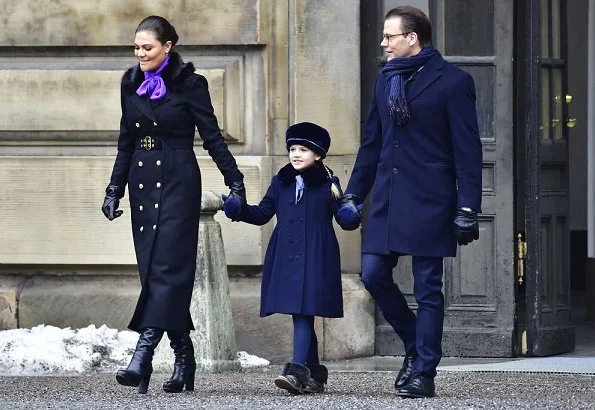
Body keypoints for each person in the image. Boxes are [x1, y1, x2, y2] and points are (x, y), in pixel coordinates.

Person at [339, 6, 482, 399]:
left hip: (430, 200)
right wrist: (353, 193)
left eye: (389, 36)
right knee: (372, 274)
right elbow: (372, 143)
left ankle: (424, 372)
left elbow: (467, 150)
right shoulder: (385, 81)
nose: (383, 43)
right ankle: (414, 345)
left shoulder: (453, 82)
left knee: (428, 289)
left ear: (412, 38)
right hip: (386, 197)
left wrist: (468, 207)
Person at [101, 15, 246, 394]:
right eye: (136, 47)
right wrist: (114, 188)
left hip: (179, 182)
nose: (139, 53)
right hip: (142, 188)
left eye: (147, 47)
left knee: (167, 269)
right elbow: (125, 142)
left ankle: (142, 356)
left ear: (168, 47)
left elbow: (212, 137)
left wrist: (235, 180)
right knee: (156, 273)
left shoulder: (191, 85)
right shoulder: (130, 84)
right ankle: (185, 358)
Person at [222, 122, 360, 395]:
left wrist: (350, 214)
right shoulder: (280, 181)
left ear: (318, 155)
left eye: (303, 149)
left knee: (303, 311)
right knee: (301, 311)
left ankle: (297, 373)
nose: (296, 154)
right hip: (286, 252)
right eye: (292, 149)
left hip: (316, 253)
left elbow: (344, 219)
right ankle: (315, 375)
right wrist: (238, 210)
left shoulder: (329, 183)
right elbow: (262, 214)